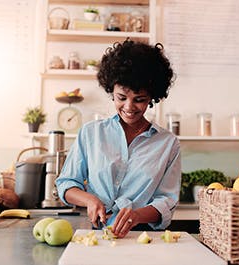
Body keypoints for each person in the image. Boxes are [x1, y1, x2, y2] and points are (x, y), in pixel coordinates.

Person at [55, 39, 181, 238]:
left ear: (152, 98)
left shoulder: (168, 144)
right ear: (111, 91)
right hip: (97, 236)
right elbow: (66, 183)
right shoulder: (91, 133)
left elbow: (167, 200)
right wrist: (90, 200)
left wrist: (137, 215)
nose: (129, 107)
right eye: (121, 97)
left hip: (144, 238)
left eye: (139, 99)